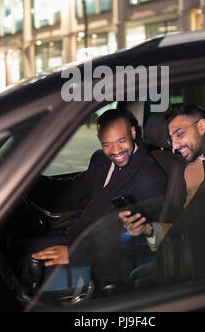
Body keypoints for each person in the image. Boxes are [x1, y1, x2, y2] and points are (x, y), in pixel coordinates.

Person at [30, 108, 168, 287]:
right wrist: (27, 183)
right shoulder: (100, 161)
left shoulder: (151, 177)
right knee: (16, 252)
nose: (115, 150)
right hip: (77, 237)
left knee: (26, 264)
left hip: (100, 260)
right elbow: (72, 190)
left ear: (133, 133)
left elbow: (137, 237)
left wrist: (76, 253)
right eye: (107, 144)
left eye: (121, 140)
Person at [119, 103, 205, 251]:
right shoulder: (191, 171)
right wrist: (147, 229)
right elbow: (187, 225)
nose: (174, 145)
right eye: (171, 139)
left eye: (179, 134)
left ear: (202, 127)